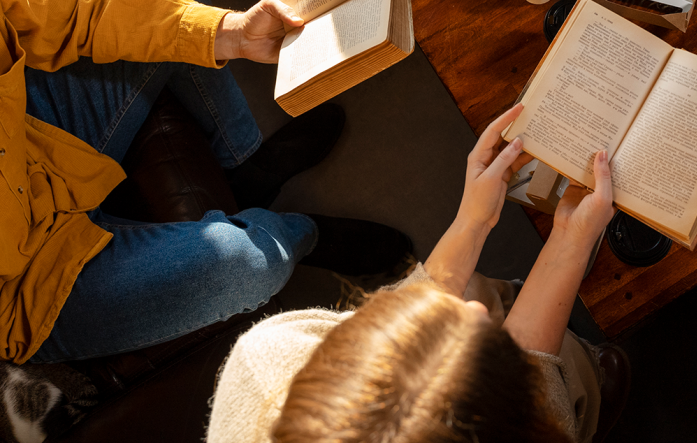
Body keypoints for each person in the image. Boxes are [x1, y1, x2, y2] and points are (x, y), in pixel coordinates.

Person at [0, 0, 411, 365]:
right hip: (24, 285)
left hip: (34, 142)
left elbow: (81, 6)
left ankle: (245, 168)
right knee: (247, 266)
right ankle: (307, 235)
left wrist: (232, 34)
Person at [207, 105, 631, 443]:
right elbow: (534, 397)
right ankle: (588, 393)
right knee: (566, 377)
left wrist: (472, 222)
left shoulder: (267, 356)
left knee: (467, 288)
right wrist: (569, 244)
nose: (479, 315)